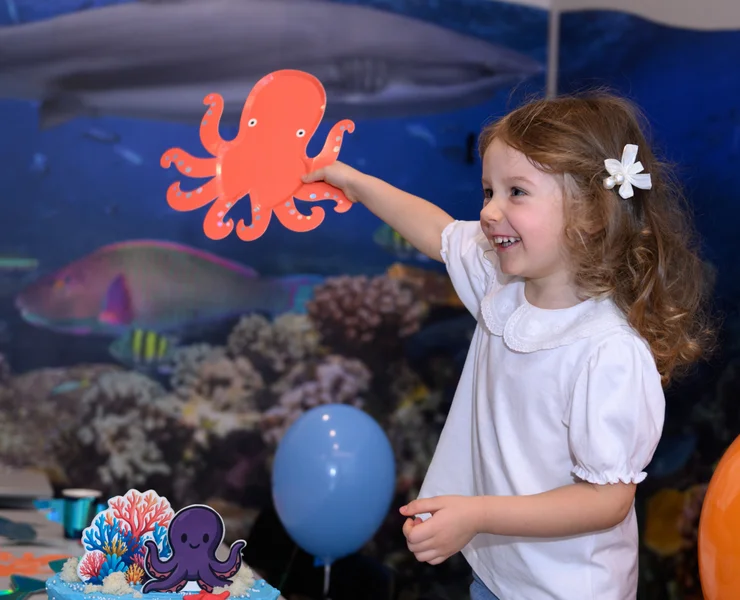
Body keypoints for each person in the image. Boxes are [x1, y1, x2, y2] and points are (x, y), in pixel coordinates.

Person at [302, 91, 715, 600]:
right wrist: (355, 183)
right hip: (499, 575)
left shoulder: (608, 351)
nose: (490, 210)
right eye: (488, 191)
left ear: (591, 213)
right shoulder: (503, 286)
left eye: (516, 191)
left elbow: (607, 500)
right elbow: (437, 232)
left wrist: (478, 514)